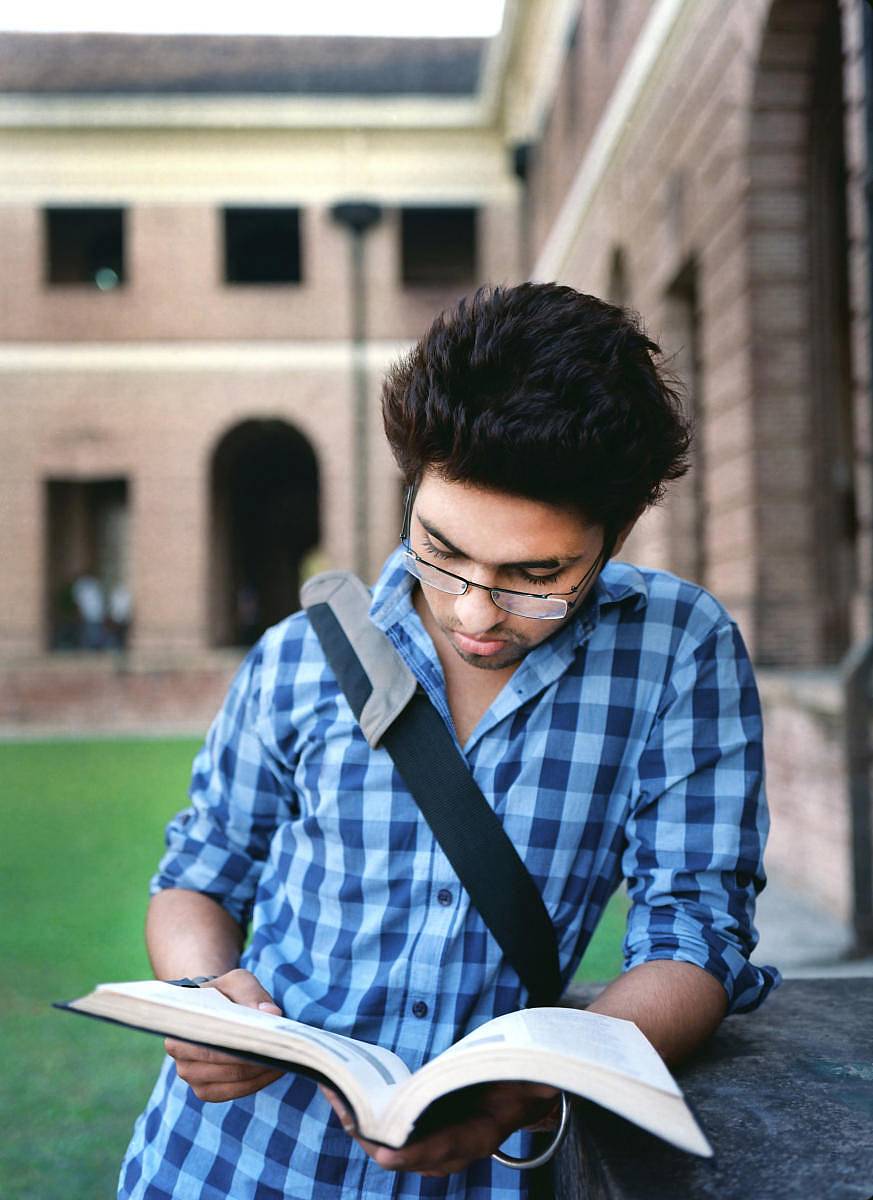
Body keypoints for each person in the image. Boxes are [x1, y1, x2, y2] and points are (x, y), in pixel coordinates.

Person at [119, 283, 779, 1199]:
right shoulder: (304, 653)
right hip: (233, 1159)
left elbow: (694, 929)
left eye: (535, 574)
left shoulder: (677, 649)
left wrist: (540, 1079)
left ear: (616, 532)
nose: (474, 609)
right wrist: (204, 1005)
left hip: (481, 1171)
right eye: (439, 548)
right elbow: (199, 871)